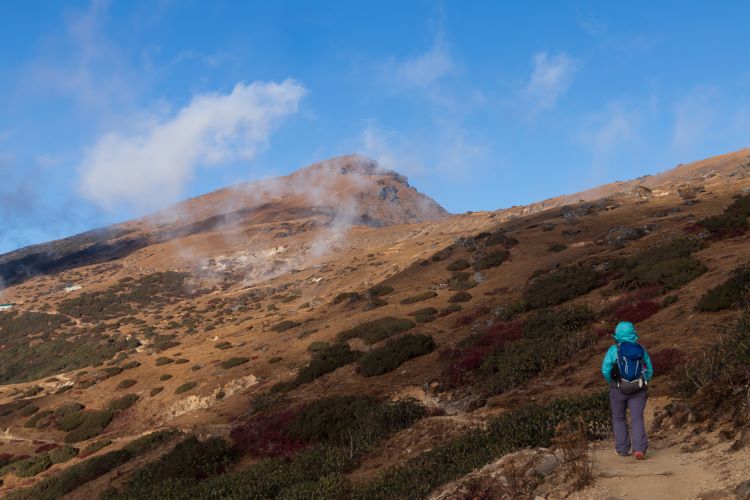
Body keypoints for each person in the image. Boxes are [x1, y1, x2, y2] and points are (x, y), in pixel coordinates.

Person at [601, 321, 653, 460]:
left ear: (617, 334)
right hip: (638, 389)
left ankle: (622, 449)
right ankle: (639, 449)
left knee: (619, 419)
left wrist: (612, 383)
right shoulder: (641, 349)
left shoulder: (613, 350)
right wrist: (643, 381)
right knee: (636, 418)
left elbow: (605, 369)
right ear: (633, 333)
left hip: (618, 389)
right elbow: (649, 368)